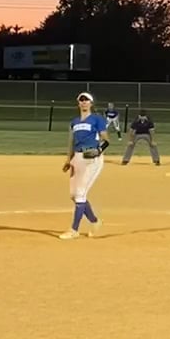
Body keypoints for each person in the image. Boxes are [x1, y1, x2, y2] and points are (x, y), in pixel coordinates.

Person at [62, 92, 111, 239]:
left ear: (91, 103)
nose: (84, 102)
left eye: (86, 100)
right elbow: (72, 142)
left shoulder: (97, 119)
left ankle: (74, 230)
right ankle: (95, 222)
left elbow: (106, 139)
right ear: (78, 103)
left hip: (91, 158)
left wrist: (98, 151)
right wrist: (68, 160)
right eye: (81, 100)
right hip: (77, 158)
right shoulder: (74, 122)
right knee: (74, 195)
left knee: (80, 193)